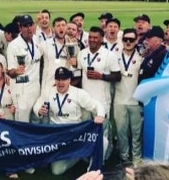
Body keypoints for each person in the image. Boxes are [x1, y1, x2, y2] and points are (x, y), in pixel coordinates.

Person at [33, 67, 105, 175]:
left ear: (69, 80)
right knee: (57, 171)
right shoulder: (48, 91)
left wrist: (100, 115)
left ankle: (83, 155)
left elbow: (96, 104)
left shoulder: (78, 93)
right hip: (58, 135)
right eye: (58, 79)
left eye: (64, 79)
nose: (61, 83)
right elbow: (37, 105)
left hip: (76, 134)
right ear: (55, 80)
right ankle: (80, 156)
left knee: (103, 141)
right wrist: (39, 110)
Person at [77, 26, 121, 159]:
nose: (92, 40)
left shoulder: (109, 55)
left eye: (95, 37)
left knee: (103, 131)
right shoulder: (82, 53)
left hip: (102, 100)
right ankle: (87, 155)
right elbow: (79, 75)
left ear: (102, 38)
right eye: (90, 37)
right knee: (86, 129)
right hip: (85, 99)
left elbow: (117, 76)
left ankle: (103, 157)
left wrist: (101, 76)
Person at [114, 28, 143, 165]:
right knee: (121, 132)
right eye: (126, 39)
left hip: (135, 101)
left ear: (136, 40)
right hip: (119, 100)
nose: (128, 42)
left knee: (136, 133)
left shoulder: (141, 57)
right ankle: (123, 157)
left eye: (131, 39)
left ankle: (136, 158)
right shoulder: (115, 56)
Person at [7, 14, 41, 123]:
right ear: (20, 28)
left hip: (36, 89)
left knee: (36, 121)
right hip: (22, 90)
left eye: (30, 24)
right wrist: (16, 71)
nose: (29, 28)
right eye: (25, 26)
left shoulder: (37, 40)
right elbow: (10, 72)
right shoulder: (13, 45)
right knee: (22, 123)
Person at [39, 17, 76, 88]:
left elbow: (77, 70)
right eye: (58, 25)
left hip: (64, 87)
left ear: (66, 28)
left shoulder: (72, 46)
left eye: (63, 25)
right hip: (48, 87)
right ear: (53, 28)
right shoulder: (45, 44)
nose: (61, 28)